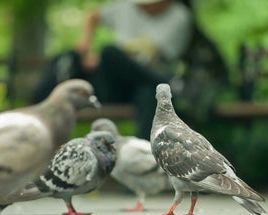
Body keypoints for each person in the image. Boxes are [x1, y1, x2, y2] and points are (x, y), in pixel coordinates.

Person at [33, 0, 193, 139]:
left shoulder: (180, 16)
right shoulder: (125, 6)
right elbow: (93, 15)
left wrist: (124, 55)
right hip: (113, 85)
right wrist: (85, 46)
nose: (144, 8)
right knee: (98, 54)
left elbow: (153, 52)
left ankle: (146, 155)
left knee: (149, 93)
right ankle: (169, 86)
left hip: (142, 82)